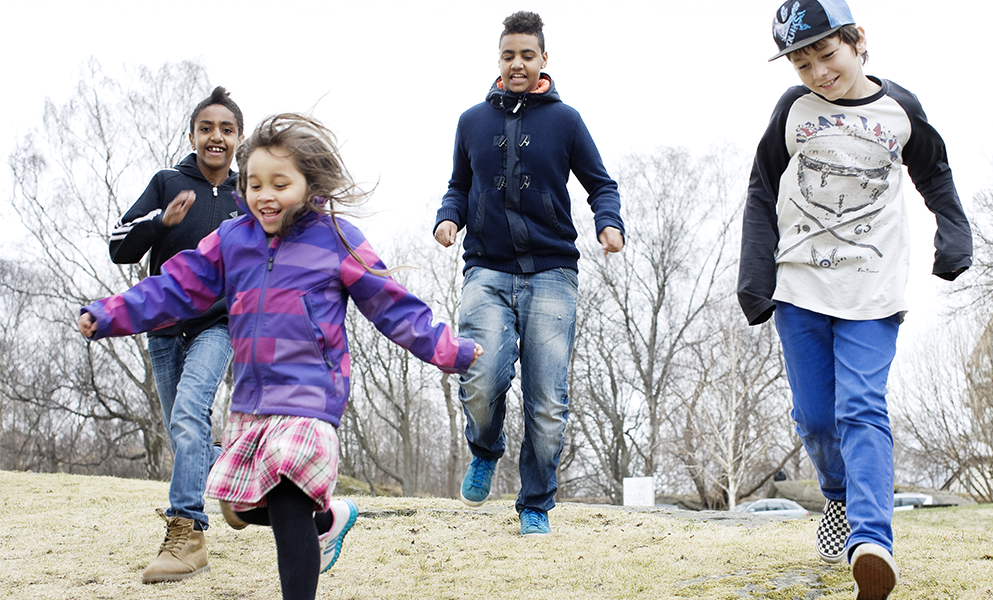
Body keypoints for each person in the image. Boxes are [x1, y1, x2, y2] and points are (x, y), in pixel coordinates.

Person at [80, 113, 483, 600]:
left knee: (289, 499)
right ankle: (329, 519)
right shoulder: (233, 241)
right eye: (253, 184)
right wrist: (108, 314)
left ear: (309, 184)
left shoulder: (336, 238)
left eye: (279, 183)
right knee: (239, 506)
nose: (264, 195)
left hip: (313, 396)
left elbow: (392, 307)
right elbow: (175, 287)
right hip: (253, 400)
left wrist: (451, 350)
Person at [737, 1, 972, 598]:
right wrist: (754, 273)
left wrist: (953, 230)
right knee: (817, 418)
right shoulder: (793, 111)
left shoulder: (900, 109)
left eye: (827, 54)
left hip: (873, 288)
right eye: (802, 62)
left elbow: (935, 174)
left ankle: (872, 542)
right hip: (801, 287)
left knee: (861, 409)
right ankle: (838, 498)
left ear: (858, 41)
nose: (818, 72)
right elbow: (762, 189)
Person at [433, 11, 625, 536]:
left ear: (544, 60)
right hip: (487, 271)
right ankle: (485, 447)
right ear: (498, 59)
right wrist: (448, 217)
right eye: (508, 55)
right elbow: (457, 185)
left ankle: (536, 501)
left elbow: (600, 184)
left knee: (547, 401)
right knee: (479, 376)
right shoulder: (472, 121)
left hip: (551, 273)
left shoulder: (565, 121)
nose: (517, 64)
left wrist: (610, 224)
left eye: (527, 55)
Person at [108, 86, 244, 583]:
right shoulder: (167, 183)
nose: (216, 137)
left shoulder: (245, 194)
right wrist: (159, 222)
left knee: (190, 413)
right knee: (184, 432)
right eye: (207, 128)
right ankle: (241, 470)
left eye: (226, 130)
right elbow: (118, 245)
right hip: (164, 326)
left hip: (219, 323)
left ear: (238, 139)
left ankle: (187, 533)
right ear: (192, 135)